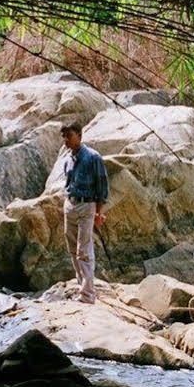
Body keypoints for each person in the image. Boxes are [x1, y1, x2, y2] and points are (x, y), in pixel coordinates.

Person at [60, 121, 109, 303]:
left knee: (84, 249)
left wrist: (99, 212)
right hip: (70, 204)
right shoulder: (67, 158)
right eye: (64, 136)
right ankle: (82, 285)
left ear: (79, 135)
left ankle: (88, 294)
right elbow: (68, 183)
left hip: (86, 205)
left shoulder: (93, 157)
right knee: (72, 247)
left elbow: (102, 187)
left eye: (69, 136)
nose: (66, 140)